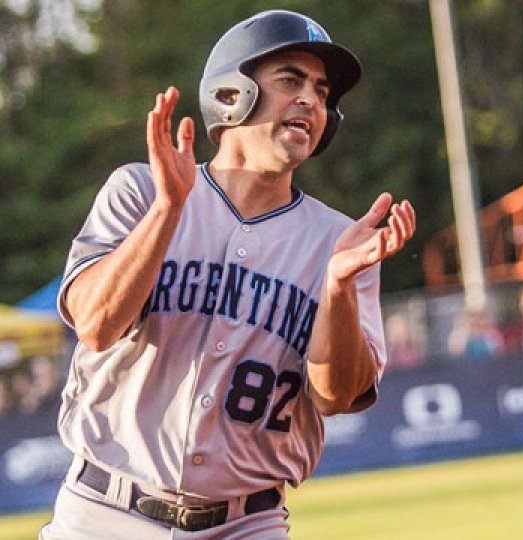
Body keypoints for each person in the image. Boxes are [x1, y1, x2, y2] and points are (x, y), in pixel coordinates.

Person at [41, 10, 416, 540]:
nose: (311, 100)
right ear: (230, 93)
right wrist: (168, 211)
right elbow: (95, 325)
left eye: (322, 90)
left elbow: (337, 398)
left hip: (248, 524)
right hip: (104, 513)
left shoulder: (342, 241)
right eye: (290, 80)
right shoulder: (140, 192)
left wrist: (336, 287)